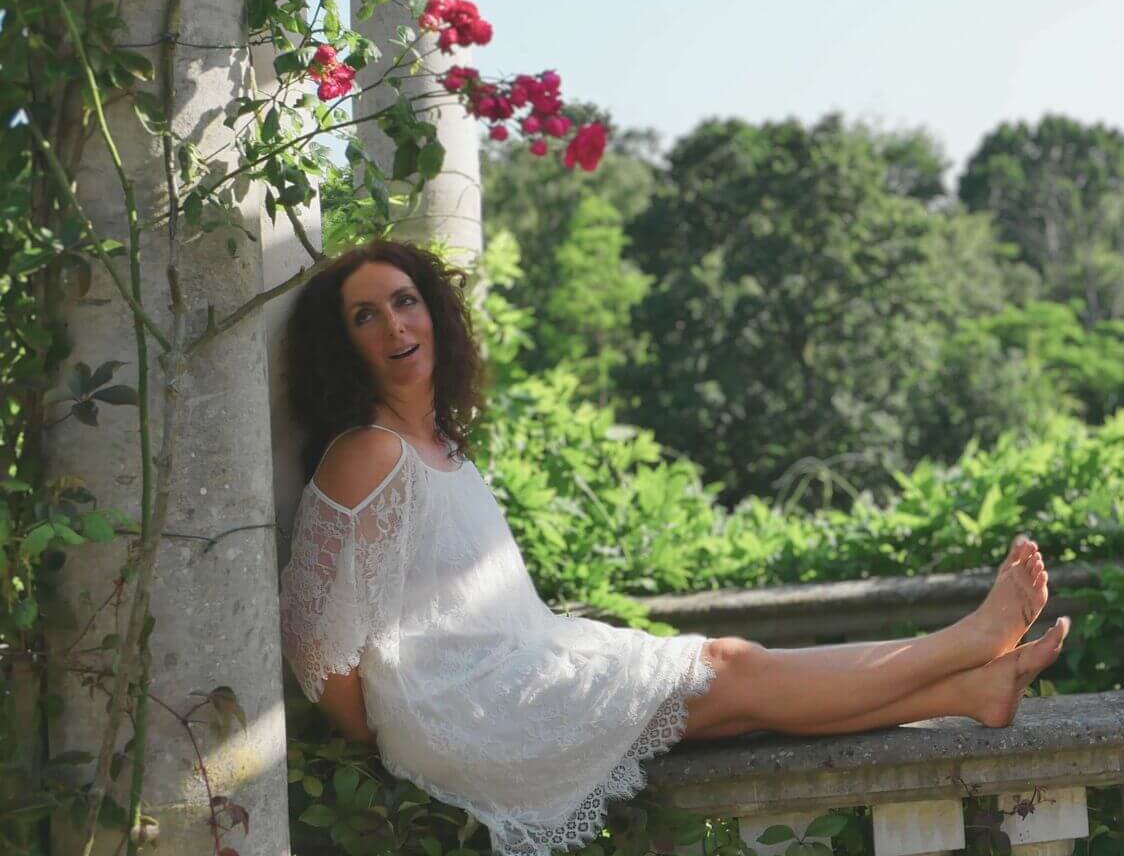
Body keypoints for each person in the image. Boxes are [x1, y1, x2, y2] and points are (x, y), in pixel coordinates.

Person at [279, 239, 1069, 856]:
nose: (395, 326)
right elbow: (314, 642)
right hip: (472, 712)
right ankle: (966, 642)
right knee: (731, 668)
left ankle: (972, 691)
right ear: (343, 346)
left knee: (736, 704)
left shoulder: (442, 449)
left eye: (405, 301)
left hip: (515, 679)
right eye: (365, 316)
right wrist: (395, 737)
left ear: (434, 314)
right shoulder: (369, 454)